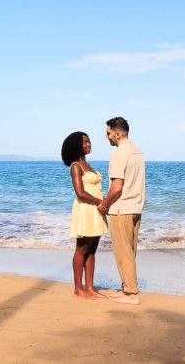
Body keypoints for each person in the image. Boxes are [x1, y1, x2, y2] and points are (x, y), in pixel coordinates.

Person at [98, 117, 145, 305]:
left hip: (121, 208)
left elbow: (116, 187)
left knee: (123, 251)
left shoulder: (119, 154)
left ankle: (132, 293)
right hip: (136, 207)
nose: (106, 136)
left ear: (118, 134)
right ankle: (127, 289)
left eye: (108, 133)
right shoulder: (137, 151)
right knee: (130, 250)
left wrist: (104, 205)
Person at [61, 131, 108, 299]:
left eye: (89, 141)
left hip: (96, 208)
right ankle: (78, 289)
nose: (88, 144)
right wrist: (99, 202)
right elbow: (80, 192)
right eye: (85, 142)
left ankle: (90, 288)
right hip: (86, 209)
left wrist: (105, 203)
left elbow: (95, 189)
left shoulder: (89, 166)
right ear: (76, 145)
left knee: (92, 250)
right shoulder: (76, 166)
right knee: (81, 248)